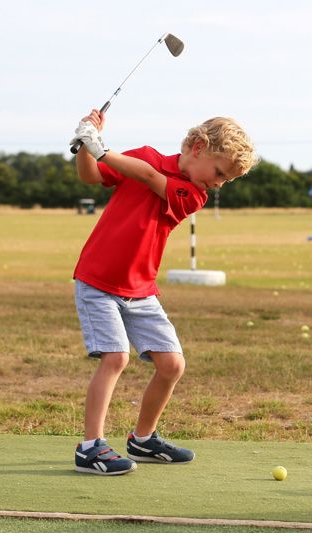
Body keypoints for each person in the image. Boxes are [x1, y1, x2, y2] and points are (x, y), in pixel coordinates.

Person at [69, 109, 258, 475]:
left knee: (172, 365)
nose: (220, 184)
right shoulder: (142, 155)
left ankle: (142, 438)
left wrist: (102, 149)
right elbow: (91, 176)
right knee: (115, 359)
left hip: (141, 290)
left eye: (227, 180)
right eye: (220, 173)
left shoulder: (193, 195)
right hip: (98, 281)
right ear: (198, 147)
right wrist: (84, 146)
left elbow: (151, 178)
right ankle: (90, 447)